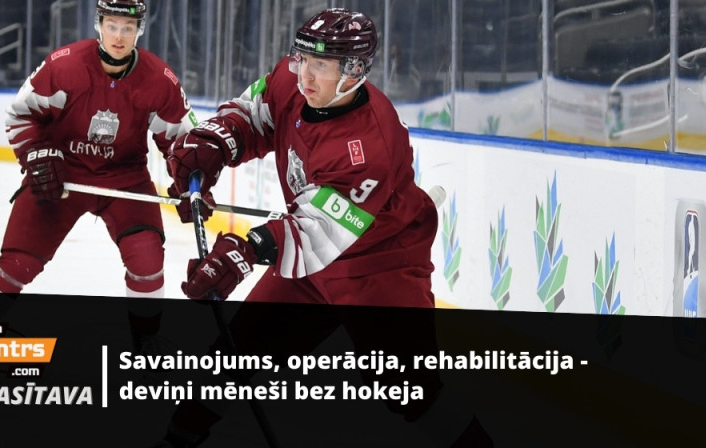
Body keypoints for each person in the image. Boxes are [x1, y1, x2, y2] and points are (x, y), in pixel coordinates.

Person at [158, 8, 492, 447]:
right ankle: (175, 441)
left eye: (320, 66)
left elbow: (317, 233)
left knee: (412, 392)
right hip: (311, 264)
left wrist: (245, 251)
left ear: (353, 72)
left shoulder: (368, 144)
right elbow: (255, 112)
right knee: (235, 356)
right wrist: (216, 140)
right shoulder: (296, 81)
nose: (304, 76)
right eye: (302, 59)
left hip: (380, 269)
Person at [0, 0, 198, 382]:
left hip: (124, 179)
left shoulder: (159, 80)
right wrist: (36, 155)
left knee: (147, 259)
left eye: (128, 28)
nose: (119, 36)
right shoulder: (65, 66)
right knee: (17, 264)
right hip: (62, 176)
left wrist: (190, 180)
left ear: (140, 30)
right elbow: (22, 114)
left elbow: (181, 139)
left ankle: (145, 344)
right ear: (99, 25)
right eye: (112, 25)